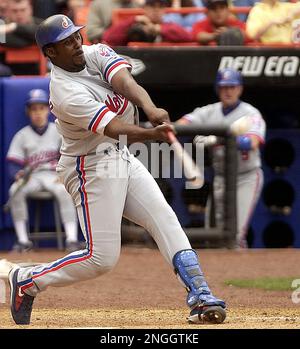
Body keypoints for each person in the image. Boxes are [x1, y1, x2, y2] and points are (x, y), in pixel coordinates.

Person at [8, 14, 226, 325]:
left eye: (76, 37)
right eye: (66, 43)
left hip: (120, 155)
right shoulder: (64, 91)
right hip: (89, 167)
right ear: (50, 53)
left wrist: (150, 109)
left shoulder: (95, 52)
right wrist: (152, 135)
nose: (76, 45)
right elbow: (113, 127)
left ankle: (201, 294)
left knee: (164, 218)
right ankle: (28, 280)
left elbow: (125, 81)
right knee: (101, 259)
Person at [177, 68, 266, 248]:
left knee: (235, 235)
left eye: (232, 86)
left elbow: (253, 142)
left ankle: (241, 273)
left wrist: (219, 139)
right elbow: (181, 125)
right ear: (218, 89)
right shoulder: (210, 111)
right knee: (215, 234)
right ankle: (221, 273)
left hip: (245, 177)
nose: (228, 91)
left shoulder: (251, 113)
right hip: (220, 177)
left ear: (240, 89)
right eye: (224, 86)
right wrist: (194, 130)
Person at [6, 89, 81, 253]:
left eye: (41, 108)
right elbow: (13, 163)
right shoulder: (22, 135)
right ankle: (23, 241)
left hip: (55, 176)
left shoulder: (58, 130)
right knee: (14, 190)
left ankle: (72, 239)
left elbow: (72, 156)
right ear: (28, 112)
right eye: (34, 109)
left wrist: (65, 175)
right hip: (32, 177)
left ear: (48, 110)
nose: (38, 113)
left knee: (66, 191)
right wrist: (17, 175)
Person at [102, 0, 193, 46]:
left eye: (160, 7)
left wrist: (158, 29)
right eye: (152, 6)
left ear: (165, 10)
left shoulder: (169, 26)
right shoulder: (133, 23)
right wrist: (135, 19)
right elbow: (108, 38)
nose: (156, 10)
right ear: (144, 8)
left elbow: (189, 37)